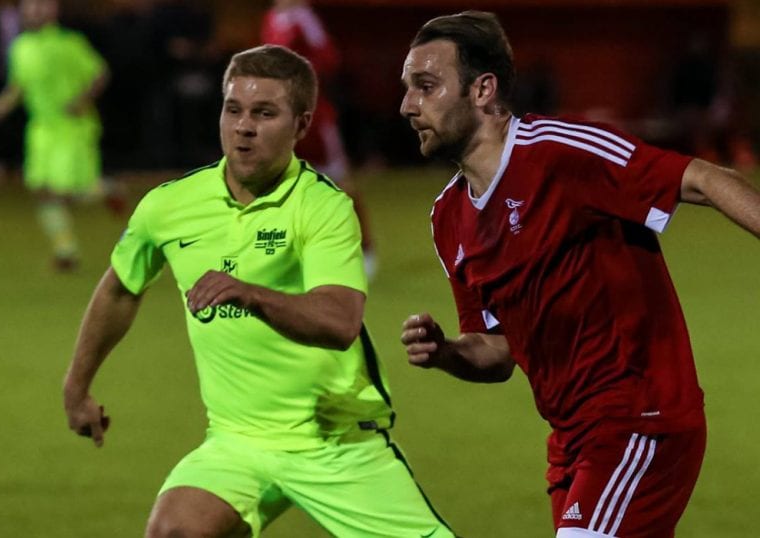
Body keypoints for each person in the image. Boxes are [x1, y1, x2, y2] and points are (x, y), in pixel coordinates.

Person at [63, 44, 454, 538]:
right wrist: (77, 388)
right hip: (237, 443)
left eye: (264, 113)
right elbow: (120, 289)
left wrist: (251, 294)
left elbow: (339, 323)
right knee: (174, 532)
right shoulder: (169, 206)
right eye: (234, 110)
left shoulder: (323, 207)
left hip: (337, 443)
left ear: (301, 124)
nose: (244, 126)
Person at [399, 11, 760, 538]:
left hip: (642, 419)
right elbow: (498, 352)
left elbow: (701, 178)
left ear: (483, 90)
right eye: (408, 88)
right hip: (572, 442)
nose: (407, 105)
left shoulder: (559, 152)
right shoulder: (448, 219)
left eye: (426, 86)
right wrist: (448, 352)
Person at [261, 0, 377, 278]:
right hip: (280, 118)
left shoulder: (304, 18)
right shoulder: (271, 19)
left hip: (312, 117)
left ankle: (365, 248)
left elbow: (329, 58)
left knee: (340, 184)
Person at [0, 0, 110, 271]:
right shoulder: (20, 47)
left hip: (72, 128)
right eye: (30, 7)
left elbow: (100, 73)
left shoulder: (70, 43)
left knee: (68, 192)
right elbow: (18, 87)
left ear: (53, 11)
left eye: (41, 7)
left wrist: (81, 100)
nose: (34, 12)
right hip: (41, 130)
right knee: (43, 191)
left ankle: (109, 190)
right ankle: (65, 251)